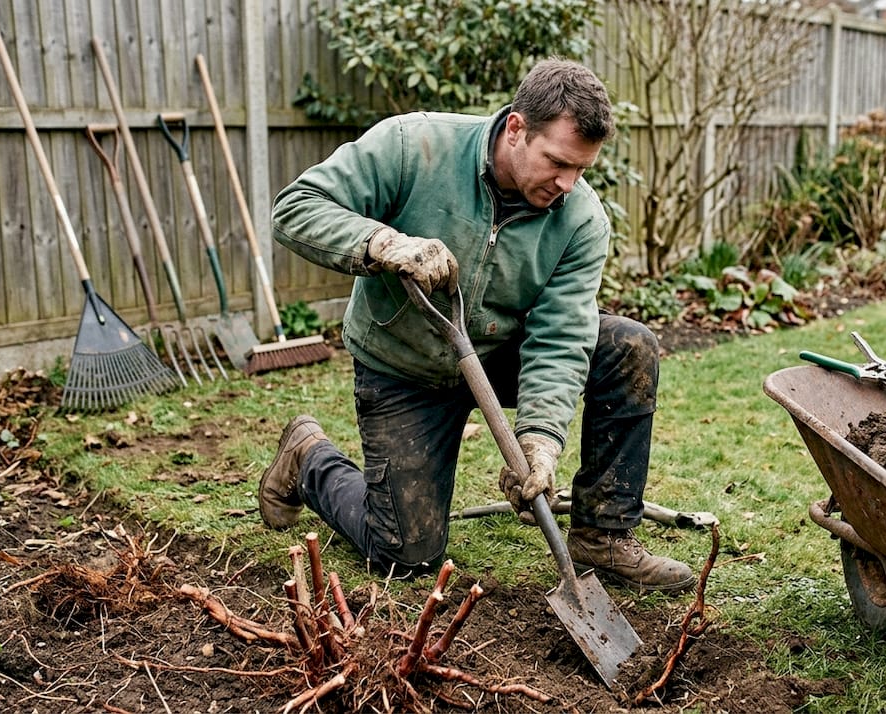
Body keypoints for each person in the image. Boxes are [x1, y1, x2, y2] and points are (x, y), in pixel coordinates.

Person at [259, 58, 694, 593]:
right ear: (516, 128)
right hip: (405, 366)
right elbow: (296, 207)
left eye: (581, 169)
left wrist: (539, 440)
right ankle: (309, 457)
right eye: (557, 162)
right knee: (406, 556)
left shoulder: (580, 218)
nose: (567, 183)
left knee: (628, 345)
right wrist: (385, 244)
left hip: (496, 354)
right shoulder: (412, 145)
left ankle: (603, 535)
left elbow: (561, 335)